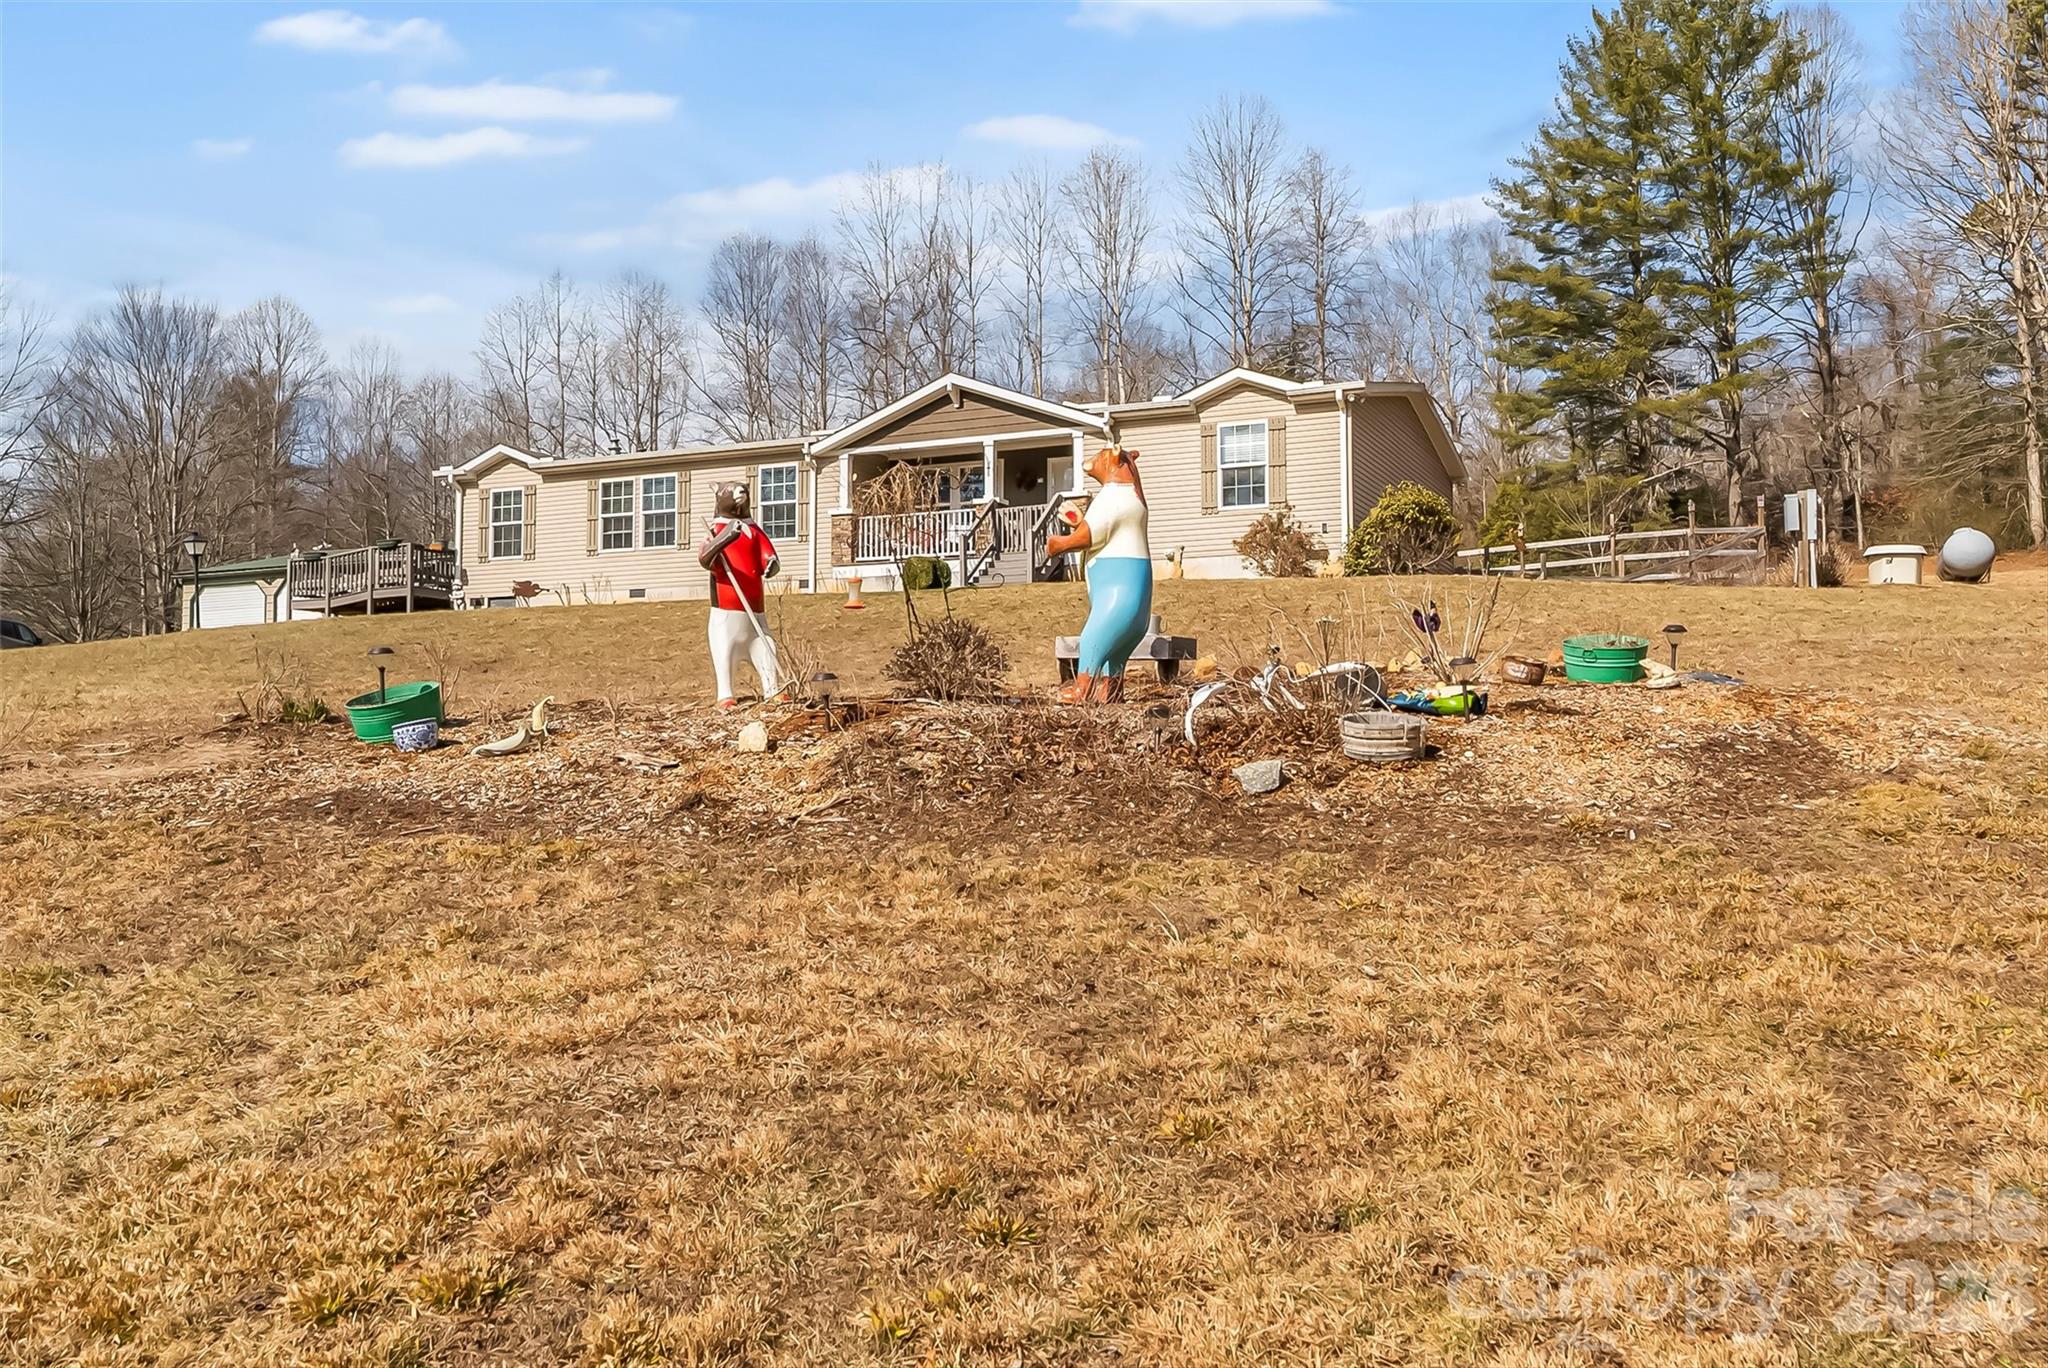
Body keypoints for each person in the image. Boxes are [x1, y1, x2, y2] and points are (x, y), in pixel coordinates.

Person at [1045, 446, 1151, 703]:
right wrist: (1080, 521)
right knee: (1116, 650)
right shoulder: (1133, 501)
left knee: (1094, 638)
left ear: (1113, 461)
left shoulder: (1113, 497)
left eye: (1101, 457)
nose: (1093, 462)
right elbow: (1102, 532)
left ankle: (1083, 689)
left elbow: (1090, 537)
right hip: (1136, 599)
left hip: (1117, 594)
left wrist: (1061, 543)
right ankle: (1110, 690)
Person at [697, 480, 783, 708]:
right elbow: (706, 560)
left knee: (766, 647)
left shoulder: (753, 530)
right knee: (725, 650)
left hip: (755, 606)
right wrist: (725, 537)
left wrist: (770, 563)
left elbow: (767, 552)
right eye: (731, 491)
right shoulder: (715, 531)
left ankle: (772, 689)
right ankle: (725, 694)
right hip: (726, 607)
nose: (740, 493)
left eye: (743, 489)